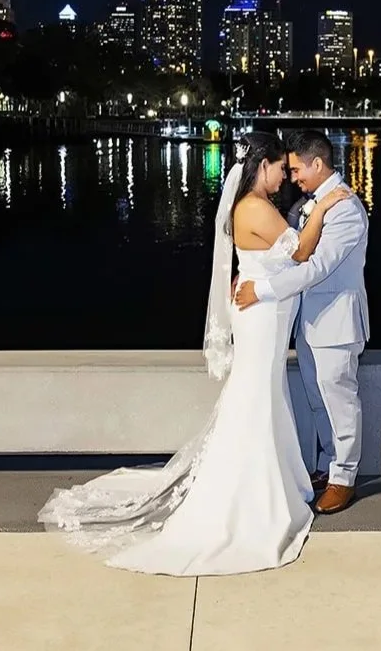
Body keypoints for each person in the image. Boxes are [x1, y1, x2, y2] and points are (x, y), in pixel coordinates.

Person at [38, 131, 352, 576]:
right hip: (261, 316)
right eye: (280, 168)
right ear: (261, 166)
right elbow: (300, 252)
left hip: (262, 312)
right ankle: (251, 494)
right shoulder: (256, 207)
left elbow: (258, 257)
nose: (285, 176)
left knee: (262, 394)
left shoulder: (252, 207)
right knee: (257, 396)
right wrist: (324, 205)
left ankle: (273, 482)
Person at [234, 130, 370, 514]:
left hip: (337, 323)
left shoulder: (343, 209)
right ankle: (329, 467)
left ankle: (345, 477)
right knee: (317, 400)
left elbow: (315, 267)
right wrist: (250, 268)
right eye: (287, 170)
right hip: (309, 323)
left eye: (296, 170)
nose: (293, 178)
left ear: (317, 163)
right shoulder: (310, 204)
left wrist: (260, 289)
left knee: (339, 400)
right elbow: (286, 248)